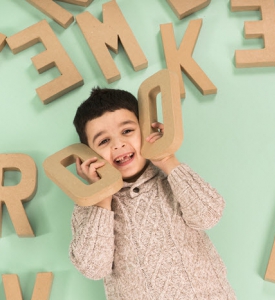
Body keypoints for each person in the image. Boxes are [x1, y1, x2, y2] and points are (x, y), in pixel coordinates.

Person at [69, 87, 236, 299]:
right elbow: (93, 268)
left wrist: (168, 161)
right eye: (103, 141)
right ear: (88, 155)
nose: (118, 144)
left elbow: (209, 214)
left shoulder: (172, 179)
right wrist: (103, 196)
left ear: (146, 130)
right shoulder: (91, 206)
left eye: (127, 131)